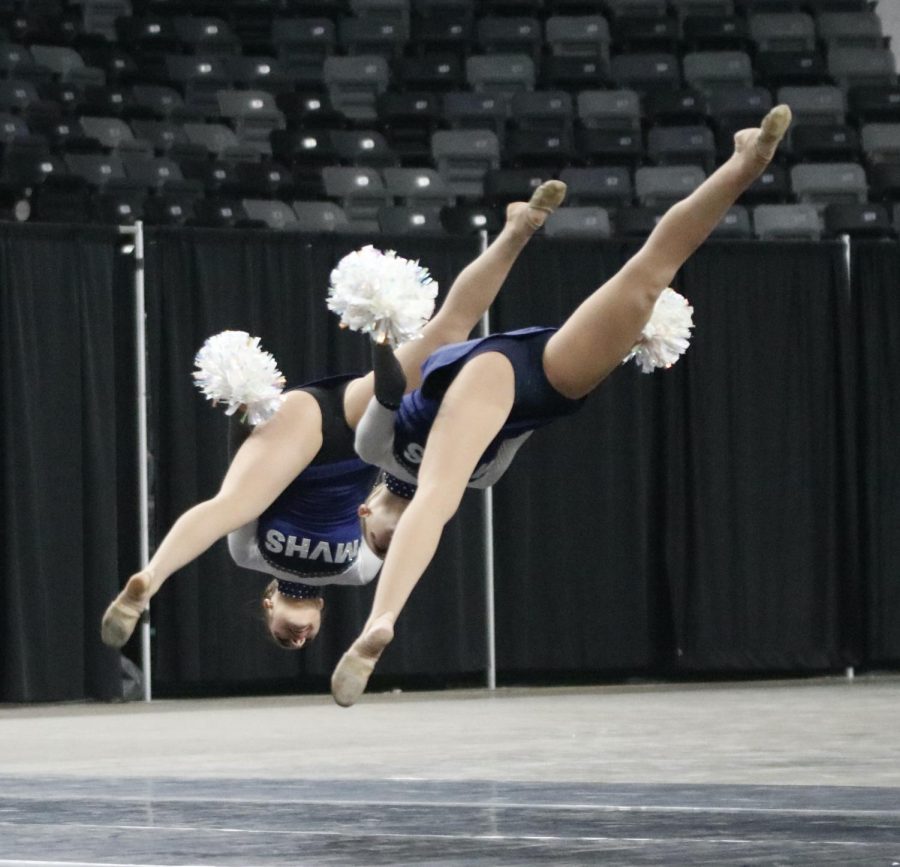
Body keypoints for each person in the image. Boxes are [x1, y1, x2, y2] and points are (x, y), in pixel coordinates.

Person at [332, 105, 793, 705]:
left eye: (384, 541)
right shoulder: (473, 475)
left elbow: (393, 386)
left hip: (483, 378)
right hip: (534, 380)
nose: (393, 535)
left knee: (450, 345)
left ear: (366, 515)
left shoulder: (375, 447)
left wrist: (384, 342)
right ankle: (744, 164)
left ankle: (381, 620)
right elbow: (518, 426)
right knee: (648, 276)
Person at [99, 179, 568, 651]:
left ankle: (150, 579)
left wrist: (244, 412)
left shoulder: (248, 557)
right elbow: (390, 505)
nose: (297, 638)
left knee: (233, 504)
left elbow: (237, 489)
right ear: (322, 614)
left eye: (284, 640)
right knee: (446, 335)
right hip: (363, 441)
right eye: (305, 642)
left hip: (313, 426)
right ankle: (517, 231)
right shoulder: (359, 572)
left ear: (267, 606)